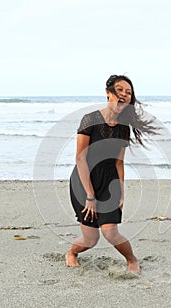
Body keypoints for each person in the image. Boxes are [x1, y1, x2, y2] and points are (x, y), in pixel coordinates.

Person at [66, 74, 157, 272]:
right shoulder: (90, 120)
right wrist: (90, 195)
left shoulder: (124, 128)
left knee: (111, 233)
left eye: (129, 92)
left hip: (109, 181)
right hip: (83, 180)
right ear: (108, 93)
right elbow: (80, 159)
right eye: (120, 90)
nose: (124, 94)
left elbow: (118, 161)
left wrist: (121, 190)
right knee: (91, 239)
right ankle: (71, 252)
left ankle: (132, 260)